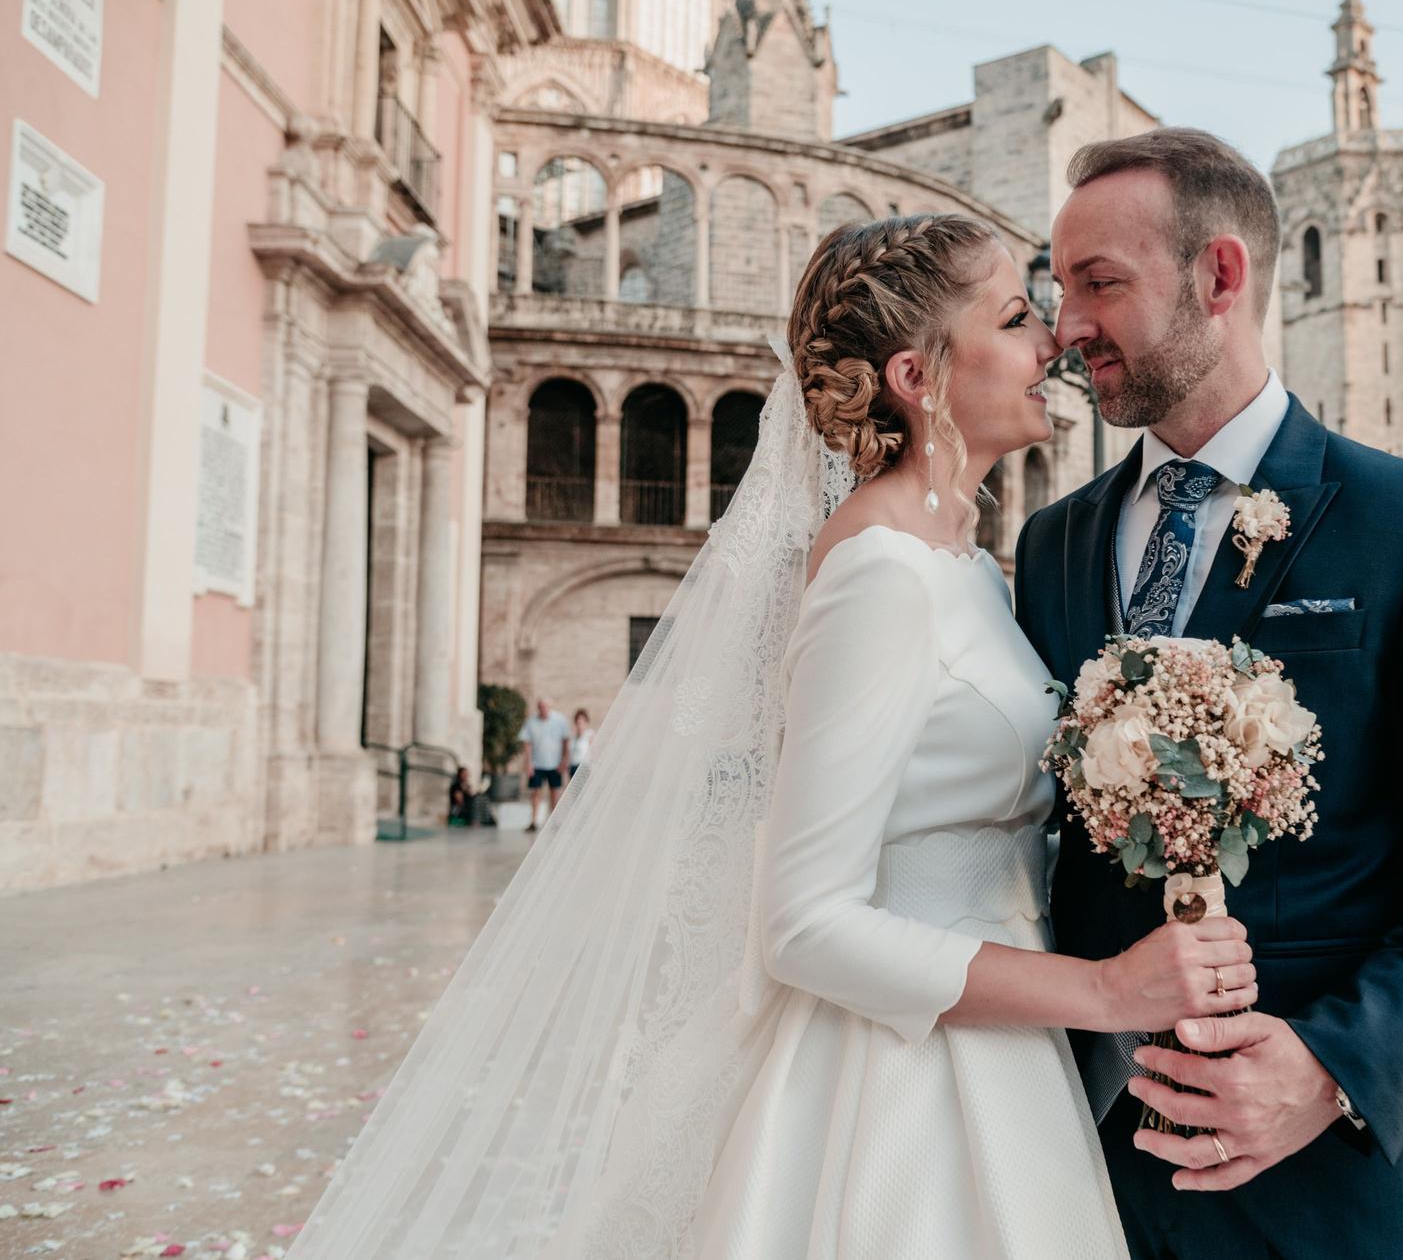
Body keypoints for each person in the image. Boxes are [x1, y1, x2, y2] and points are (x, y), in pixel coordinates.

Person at [287, 213, 1248, 1258]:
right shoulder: (879, 573)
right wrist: (1105, 989)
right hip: (901, 1074)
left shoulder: (964, 563)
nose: (1051, 341)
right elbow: (803, 921)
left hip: (1002, 1042)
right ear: (916, 375)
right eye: (1016, 317)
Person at [1013, 128, 1403, 1260]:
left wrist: (1333, 1067)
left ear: (1219, 276)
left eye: (1099, 284)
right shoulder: (1050, 543)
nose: (1066, 330)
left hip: (1324, 1180)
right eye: (1058, 289)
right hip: (1076, 1161)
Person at [515, 697, 571, 833]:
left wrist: (564, 760)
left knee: (555, 792)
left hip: (555, 763)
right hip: (537, 764)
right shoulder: (531, 722)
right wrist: (528, 764)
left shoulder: (560, 720)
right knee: (535, 792)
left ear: (550, 707)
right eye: (541, 707)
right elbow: (526, 744)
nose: (543, 710)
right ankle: (534, 821)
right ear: (538, 708)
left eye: (546, 707)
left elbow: (565, 741)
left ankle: (554, 821)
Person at [568, 707, 594, 782]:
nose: (580, 724)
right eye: (578, 722)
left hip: (584, 767)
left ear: (586, 722)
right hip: (573, 766)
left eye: (582, 722)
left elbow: (593, 752)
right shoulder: (573, 736)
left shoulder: (590, 734)